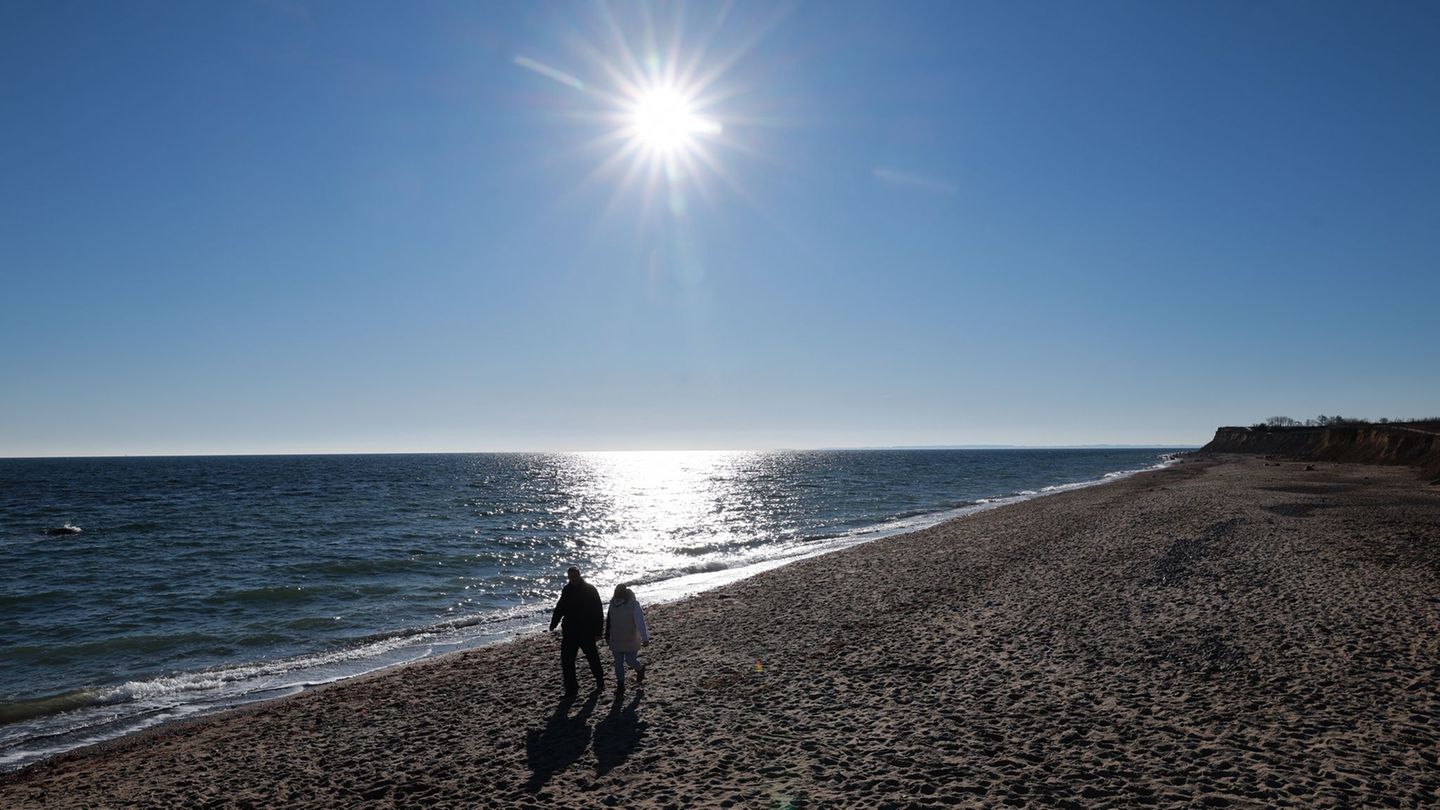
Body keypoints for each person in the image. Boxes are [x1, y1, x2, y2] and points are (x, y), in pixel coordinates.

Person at [549, 566, 605, 697]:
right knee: (567, 660)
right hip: (569, 631)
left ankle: (600, 680)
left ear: (579, 575)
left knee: (592, 657)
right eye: (570, 577)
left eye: (574, 576)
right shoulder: (566, 590)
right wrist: (554, 623)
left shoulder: (590, 589)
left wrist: (598, 631)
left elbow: (598, 610)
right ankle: (571, 689)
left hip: (587, 631)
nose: (572, 579)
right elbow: (560, 607)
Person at [604, 584, 649, 689]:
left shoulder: (633, 605)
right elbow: (609, 619)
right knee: (618, 662)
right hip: (616, 637)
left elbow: (640, 622)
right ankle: (620, 683)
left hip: (631, 637)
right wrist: (607, 634)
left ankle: (640, 669)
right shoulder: (612, 604)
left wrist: (645, 637)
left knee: (630, 661)